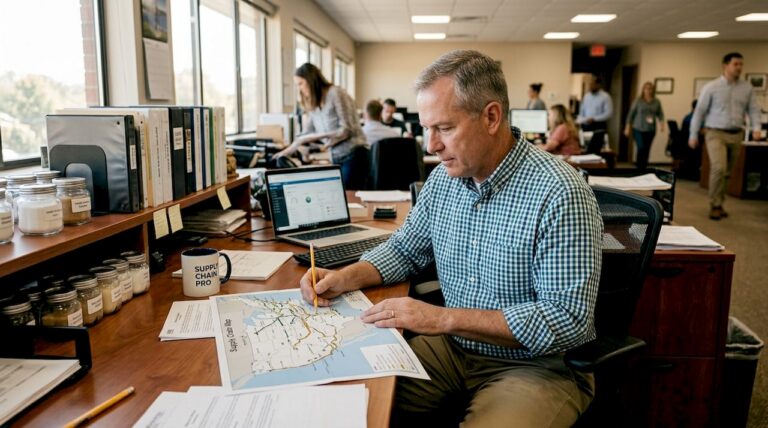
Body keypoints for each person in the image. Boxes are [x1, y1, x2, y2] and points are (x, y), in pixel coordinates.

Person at [299, 50, 602, 427]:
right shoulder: (444, 179)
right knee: (346, 401)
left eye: (444, 128)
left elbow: (565, 320)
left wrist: (443, 319)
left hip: (534, 365)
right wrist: (345, 276)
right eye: (427, 129)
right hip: (455, 349)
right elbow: (405, 248)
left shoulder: (560, 193)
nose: (431, 146)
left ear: (491, 117)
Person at [689, 52, 761, 220]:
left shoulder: (746, 88)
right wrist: (693, 134)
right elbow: (699, 112)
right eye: (736, 64)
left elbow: (753, 109)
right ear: (725, 66)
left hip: (736, 133)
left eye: (741, 64)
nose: (739, 67)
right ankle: (714, 204)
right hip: (715, 133)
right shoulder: (711, 87)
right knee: (719, 168)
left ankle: (720, 202)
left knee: (728, 172)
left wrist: (757, 127)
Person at [275, 63, 366, 188]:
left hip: (354, 154)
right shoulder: (314, 102)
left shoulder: (335, 93)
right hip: (335, 157)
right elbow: (306, 133)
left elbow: (346, 129)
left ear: (311, 80)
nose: (299, 88)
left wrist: (312, 138)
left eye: (300, 83)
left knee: (350, 197)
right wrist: (284, 152)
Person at [624, 81, 666, 170]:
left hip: (651, 129)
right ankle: (639, 167)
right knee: (641, 147)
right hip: (638, 128)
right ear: (643, 90)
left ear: (653, 90)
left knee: (647, 149)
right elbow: (631, 114)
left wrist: (662, 124)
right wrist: (627, 127)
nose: (648, 91)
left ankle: (643, 169)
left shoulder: (656, 101)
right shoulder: (638, 101)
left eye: (650, 89)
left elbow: (660, 114)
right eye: (646, 89)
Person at [577, 75, 613, 154]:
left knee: (597, 150)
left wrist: (594, 119)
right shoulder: (587, 96)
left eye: (592, 84)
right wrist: (580, 120)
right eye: (589, 84)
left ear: (598, 85)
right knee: (585, 149)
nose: (590, 86)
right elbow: (582, 111)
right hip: (586, 125)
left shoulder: (605, 97)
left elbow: (608, 113)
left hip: (598, 125)